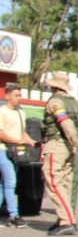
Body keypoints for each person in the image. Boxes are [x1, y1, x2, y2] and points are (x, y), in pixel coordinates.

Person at [41, 71, 78, 236]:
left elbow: (64, 121)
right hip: (71, 148)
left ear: (53, 85)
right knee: (65, 184)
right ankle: (64, 218)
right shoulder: (74, 102)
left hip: (57, 145)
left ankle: (67, 221)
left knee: (53, 181)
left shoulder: (55, 102)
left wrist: (74, 139)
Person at [0, 82, 36, 228]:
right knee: (10, 183)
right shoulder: (2, 112)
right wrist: (17, 141)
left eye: (20, 96)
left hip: (16, 153)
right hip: (2, 150)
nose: (18, 98)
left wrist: (31, 141)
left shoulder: (21, 113)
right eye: (16, 95)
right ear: (7, 95)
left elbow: (23, 132)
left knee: (3, 185)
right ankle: (14, 215)